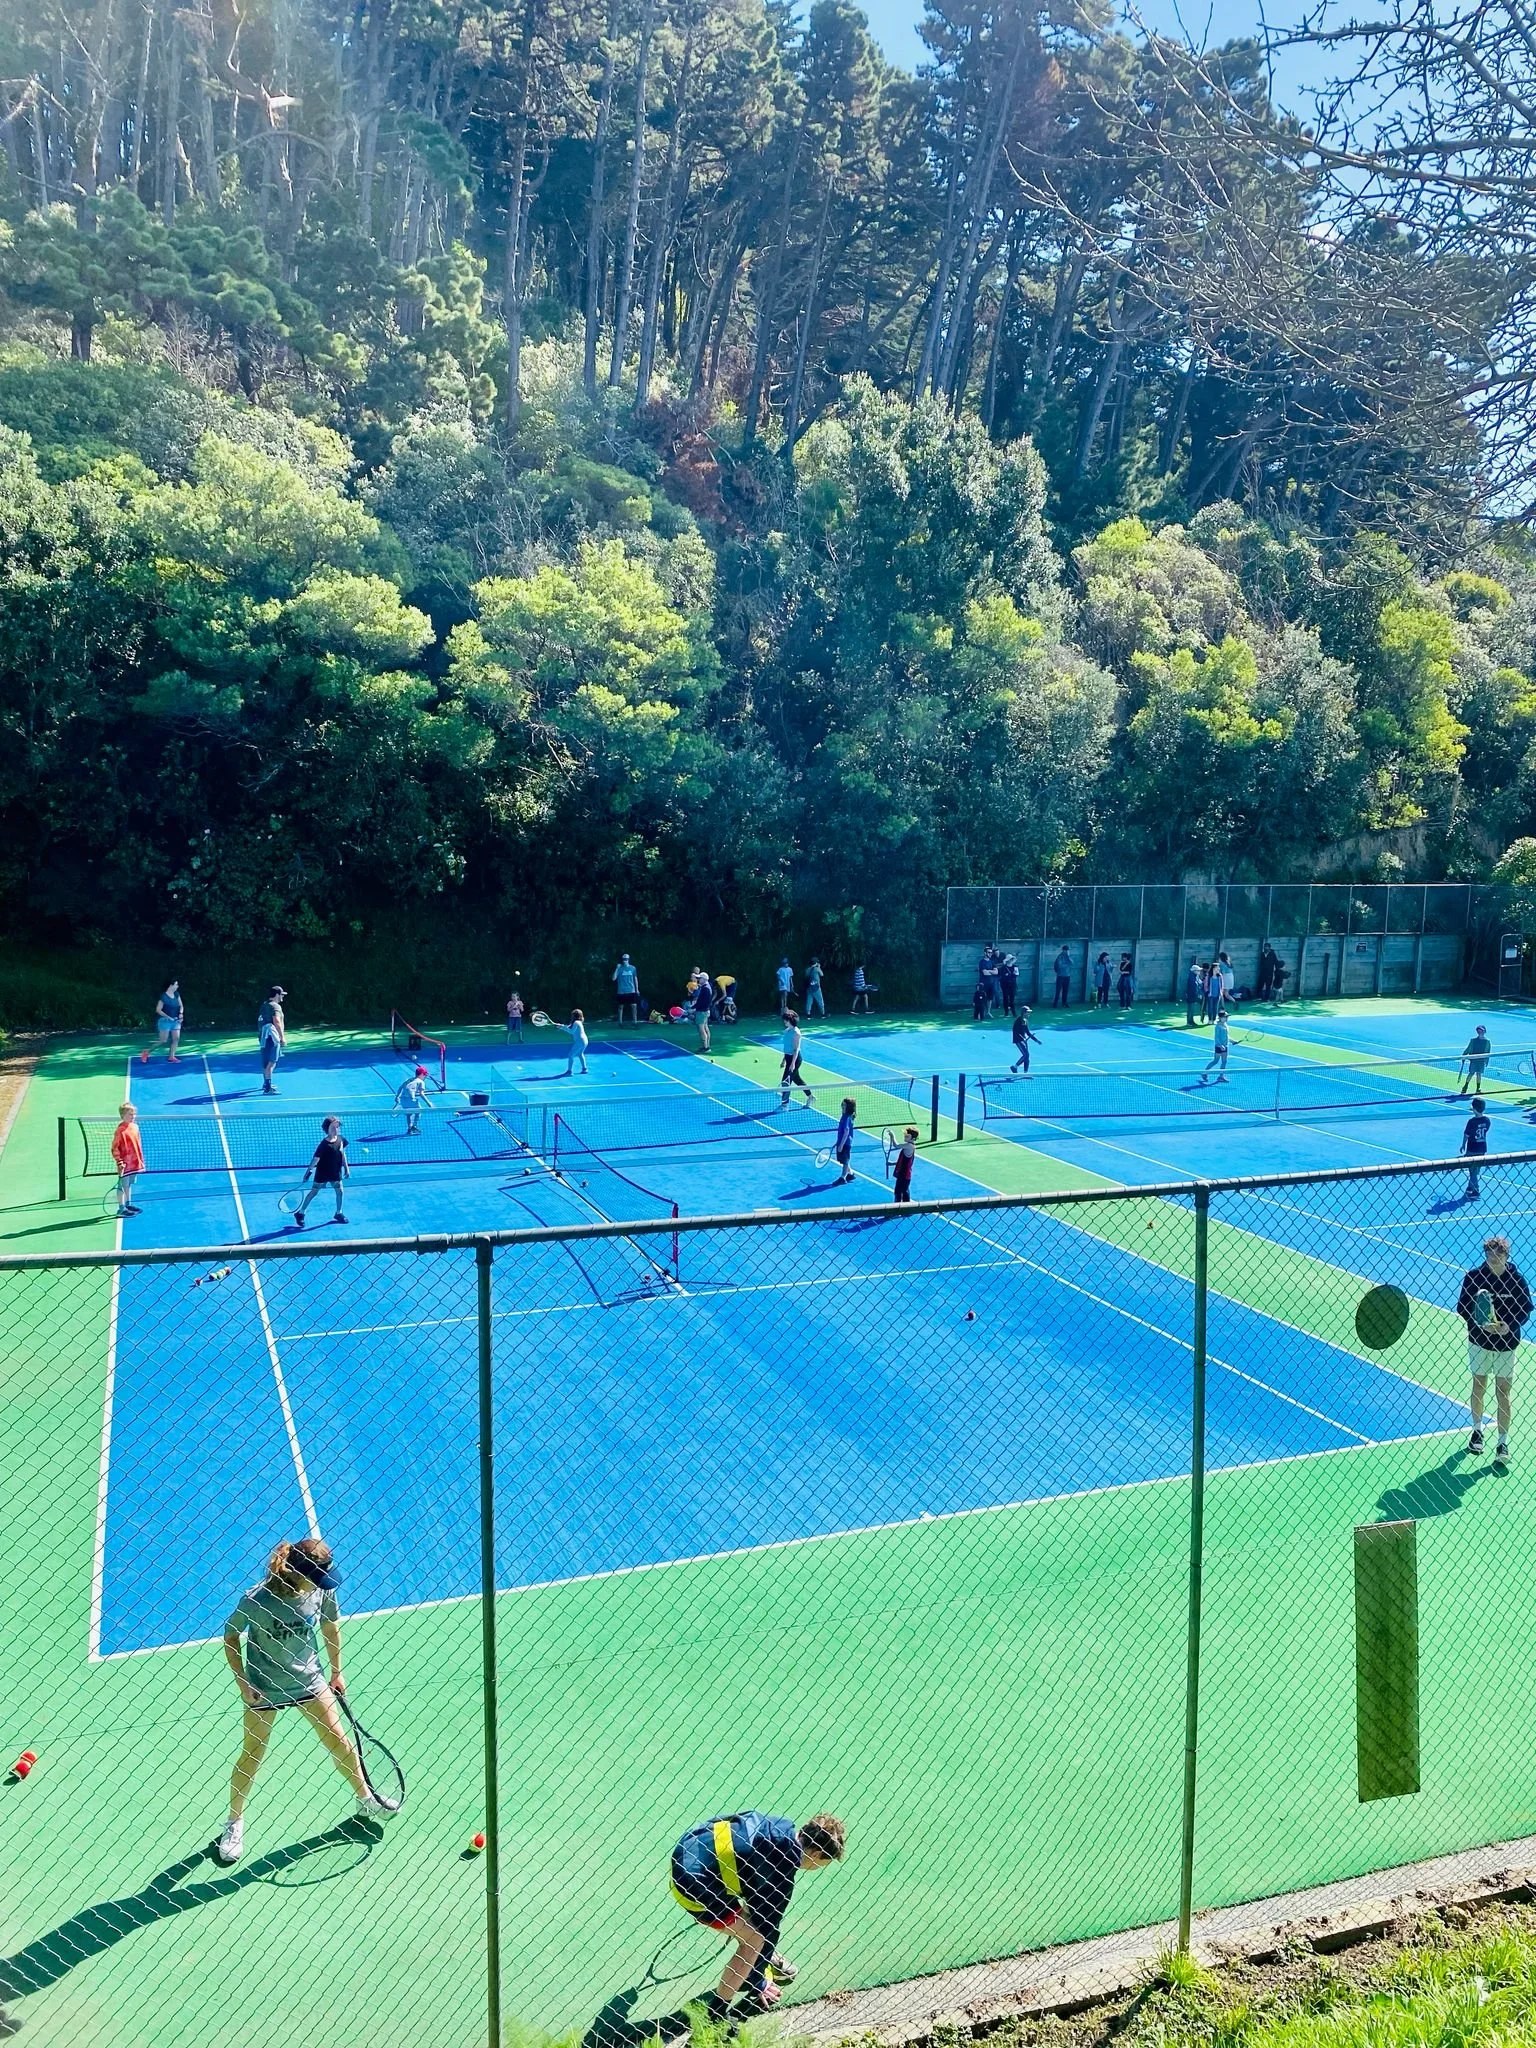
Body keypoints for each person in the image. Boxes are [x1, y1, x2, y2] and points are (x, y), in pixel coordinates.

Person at [213, 1536, 399, 1867]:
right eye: (318, 1574)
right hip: (264, 1686)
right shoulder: (257, 1600)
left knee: (341, 1743)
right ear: (299, 1571)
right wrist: (242, 1682)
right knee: (252, 1755)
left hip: (309, 1682)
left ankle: (364, 1798)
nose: (323, 1581)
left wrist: (337, 1672)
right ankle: (234, 1822)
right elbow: (230, 1636)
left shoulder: (320, 1589)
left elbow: (329, 1626)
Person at [670, 1812, 846, 2021]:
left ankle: (758, 1960)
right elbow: (768, 1928)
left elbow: (725, 1820)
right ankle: (715, 2014)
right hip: (692, 1889)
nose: (819, 1868)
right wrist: (758, 1981)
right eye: (824, 1862)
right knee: (754, 1941)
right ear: (816, 1854)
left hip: (688, 1847)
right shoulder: (779, 1875)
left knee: (752, 1917)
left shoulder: (776, 1823)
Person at [1458, 1234, 1530, 1467]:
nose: (1493, 1259)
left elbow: (1525, 1310)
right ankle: (1477, 1432)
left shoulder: (1516, 1281)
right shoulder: (1474, 1277)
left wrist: (1509, 1325)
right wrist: (1480, 1324)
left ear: (1507, 1256)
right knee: (1479, 1384)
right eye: (1489, 1255)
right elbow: (1463, 1308)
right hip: (1479, 1341)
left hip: (1506, 1345)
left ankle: (1502, 1442)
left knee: (1503, 1392)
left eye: (1498, 1255)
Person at [294, 1115, 349, 1226]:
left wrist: (346, 1168)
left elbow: (343, 1154)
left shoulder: (341, 1139)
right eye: (333, 1127)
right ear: (327, 1129)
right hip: (323, 1173)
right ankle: (300, 1213)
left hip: (335, 1172)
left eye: (337, 1127)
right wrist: (307, 1173)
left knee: (340, 1191)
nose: (336, 1129)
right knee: (314, 1192)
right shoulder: (323, 1145)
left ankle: (339, 1213)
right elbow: (315, 1160)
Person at [111, 1101, 144, 1217]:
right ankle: (121, 1208)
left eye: (134, 1114)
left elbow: (138, 1144)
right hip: (124, 1165)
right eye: (130, 1114)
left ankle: (128, 1204)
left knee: (128, 1185)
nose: (133, 1116)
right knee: (122, 1185)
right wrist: (119, 1162)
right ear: (123, 1115)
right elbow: (114, 1148)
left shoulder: (135, 1127)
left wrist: (139, 1159)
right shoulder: (120, 1130)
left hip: (134, 1164)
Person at [141, 980, 184, 1065]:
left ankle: (171, 1056)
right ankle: (146, 1052)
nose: (177, 986)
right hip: (165, 1021)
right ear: (170, 986)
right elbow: (158, 1010)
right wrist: (168, 1017)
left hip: (176, 1021)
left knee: (176, 1038)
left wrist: (181, 1014)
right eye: (176, 984)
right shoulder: (163, 997)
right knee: (163, 1040)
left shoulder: (176, 994)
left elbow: (181, 1006)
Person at [779, 1013, 816, 1108]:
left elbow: (796, 1049)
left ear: (790, 1020)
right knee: (797, 1079)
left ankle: (784, 1105)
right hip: (788, 1058)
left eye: (785, 1020)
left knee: (785, 1082)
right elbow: (787, 1047)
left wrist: (792, 1064)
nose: (784, 1022)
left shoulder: (796, 1033)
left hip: (794, 1059)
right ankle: (810, 1096)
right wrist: (784, 1060)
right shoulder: (787, 1031)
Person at [257, 985, 287, 1094]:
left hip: (263, 1037)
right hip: (272, 1037)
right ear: (277, 995)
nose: (282, 997)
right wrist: (282, 1037)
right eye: (281, 995)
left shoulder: (264, 1005)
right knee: (272, 1061)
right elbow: (276, 1021)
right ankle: (268, 1088)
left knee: (266, 1062)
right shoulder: (275, 1006)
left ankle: (266, 1082)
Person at [1461, 1092, 1491, 1199]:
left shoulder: (1471, 1122)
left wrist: (1463, 1145)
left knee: (1472, 1170)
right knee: (1475, 1169)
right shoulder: (1487, 1120)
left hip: (1472, 1149)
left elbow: (1466, 1135)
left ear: (1474, 1109)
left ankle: (1476, 1190)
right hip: (1482, 1148)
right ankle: (1470, 1187)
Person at [395, 1064, 433, 1136]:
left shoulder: (409, 1080)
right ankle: (414, 1126)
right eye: (424, 1075)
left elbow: (400, 1087)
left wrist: (397, 1097)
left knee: (409, 1114)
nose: (425, 1077)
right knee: (419, 1111)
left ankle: (409, 1129)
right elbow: (421, 1094)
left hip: (403, 1100)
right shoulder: (421, 1082)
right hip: (411, 1099)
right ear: (421, 1074)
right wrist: (428, 1103)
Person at [1461, 1024, 1492, 1096]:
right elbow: (1468, 1048)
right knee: (1471, 1073)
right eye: (1479, 1031)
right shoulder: (1473, 1040)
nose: (1480, 1032)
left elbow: (1488, 1052)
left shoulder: (1487, 1042)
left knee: (1479, 1074)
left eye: (1481, 1031)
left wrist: (1486, 1060)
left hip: (1481, 1060)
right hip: (1474, 1059)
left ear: (1484, 1031)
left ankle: (1478, 1089)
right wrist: (1463, 1056)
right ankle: (1465, 1086)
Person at [1204, 1008, 1231, 1084]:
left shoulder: (1225, 1025)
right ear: (1221, 1018)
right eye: (1225, 1017)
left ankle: (1221, 1076)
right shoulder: (1218, 1026)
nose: (1227, 1018)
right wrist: (1220, 1045)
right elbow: (1217, 1037)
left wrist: (1232, 1041)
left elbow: (1227, 1036)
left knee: (1224, 1061)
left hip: (1225, 1046)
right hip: (1219, 1046)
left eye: (1227, 1017)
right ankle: (1205, 1073)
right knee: (1216, 1061)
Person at [1010, 1008, 1041, 1074]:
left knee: (1027, 1056)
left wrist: (1036, 1040)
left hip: (1023, 1040)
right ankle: (1014, 1067)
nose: (1029, 1013)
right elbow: (1015, 1031)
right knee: (1026, 1055)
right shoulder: (1019, 1020)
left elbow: (1028, 1033)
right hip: (1018, 1040)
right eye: (1028, 1012)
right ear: (1024, 1012)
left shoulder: (1025, 1021)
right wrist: (1022, 1038)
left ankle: (1025, 1072)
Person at [892, 1126, 918, 1203]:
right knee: (903, 1190)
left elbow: (896, 1146)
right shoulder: (909, 1146)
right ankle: (904, 1209)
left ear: (913, 1138)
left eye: (907, 1136)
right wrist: (892, 1163)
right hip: (903, 1173)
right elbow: (904, 1161)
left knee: (899, 1191)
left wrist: (892, 1136)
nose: (905, 1136)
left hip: (904, 1173)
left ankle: (899, 1208)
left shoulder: (909, 1146)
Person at [833, 1097, 856, 1185]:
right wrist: (838, 1142)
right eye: (842, 1104)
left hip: (845, 1143)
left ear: (848, 1107)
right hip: (842, 1142)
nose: (842, 1106)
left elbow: (846, 1132)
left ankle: (843, 1177)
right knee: (843, 1159)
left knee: (845, 1161)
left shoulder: (847, 1117)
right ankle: (850, 1174)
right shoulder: (844, 1116)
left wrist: (841, 1145)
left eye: (844, 1105)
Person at [613, 955, 641, 1024]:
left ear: (629, 959)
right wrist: (617, 968)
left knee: (634, 1006)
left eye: (626, 959)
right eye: (623, 959)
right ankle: (620, 1023)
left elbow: (635, 979)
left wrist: (637, 989)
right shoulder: (619, 968)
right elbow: (613, 978)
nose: (625, 960)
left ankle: (635, 1022)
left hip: (631, 990)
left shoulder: (633, 968)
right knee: (620, 1007)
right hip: (621, 991)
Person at [562, 1009, 590, 1077]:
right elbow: (569, 1027)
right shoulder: (579, 1022)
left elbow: (571, 1031)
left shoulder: (576, 1022)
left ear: (574, 1016)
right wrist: (562, 1026)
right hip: (585, 1041)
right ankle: (584, 1069)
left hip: (580, 1041)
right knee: (580, 1054)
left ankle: (569, 1071)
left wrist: (563, 1028)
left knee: (570, 1055)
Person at [693, 973, 713, 1054]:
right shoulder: (706, 987)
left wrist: (693, 1008)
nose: (698, 980)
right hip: (705, 1011)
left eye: (700, 978)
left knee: (701, 1029)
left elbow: (702, 1002)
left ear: (704, 979)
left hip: (702, 1012)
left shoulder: (705, 989)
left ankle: (705, 1047)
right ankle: (706, 1046)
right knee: (705, 1028)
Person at [1184, 960, 1203, 1028]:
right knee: (1190, 1009)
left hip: (1193, 995)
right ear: (1194, 971)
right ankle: (1189, 1021)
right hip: (1191, 995)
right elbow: (1193, 987)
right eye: (1198, 970)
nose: (1199, 972)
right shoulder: (1191, 978)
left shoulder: (1196, 977)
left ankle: (1191, 1020)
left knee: (1192, 1009)